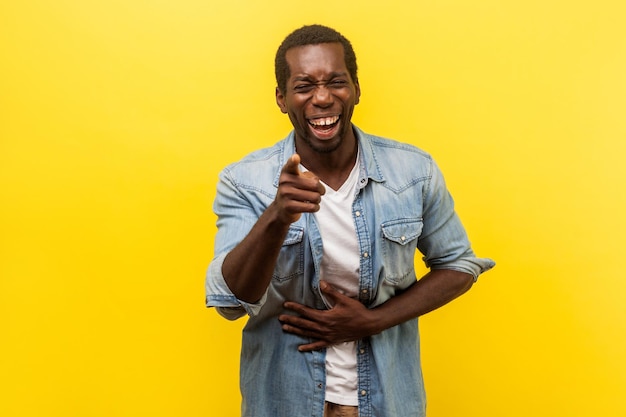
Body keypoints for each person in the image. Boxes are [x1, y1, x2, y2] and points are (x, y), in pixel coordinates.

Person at [206, 24, 495, 417]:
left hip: (387, 402)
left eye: (336, 82)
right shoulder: (245, 181)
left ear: (356, 89)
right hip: (283, 402)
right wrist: (277, 216)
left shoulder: (413, 171)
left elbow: (459, 264)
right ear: (281, 97)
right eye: (304, 85)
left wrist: (371, 321)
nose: (322, 98)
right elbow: (232, 301)